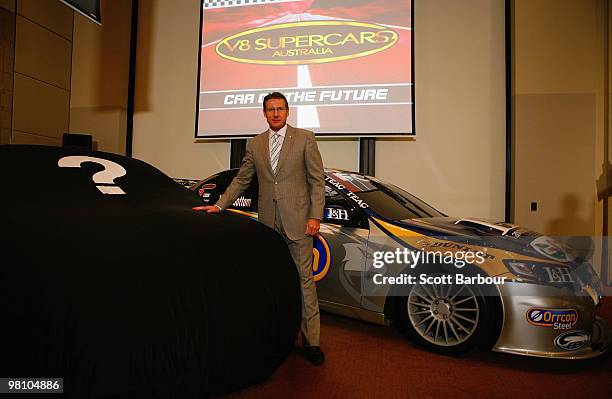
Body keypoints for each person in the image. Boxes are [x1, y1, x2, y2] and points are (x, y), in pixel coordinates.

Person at [193, 92, 326, 365]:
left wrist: (315, 216)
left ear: (287, 112)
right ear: (264, 113)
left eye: (280, 109)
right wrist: (219, 205)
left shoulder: (305, 139)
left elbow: (317, 181)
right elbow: (242, 180)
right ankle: (275, 336)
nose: (275, 113)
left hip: (299, 223)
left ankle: (311, 342)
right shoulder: (255, 144)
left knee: (304, 284)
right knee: (272, 282)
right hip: (268, 223)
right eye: (270, 110)